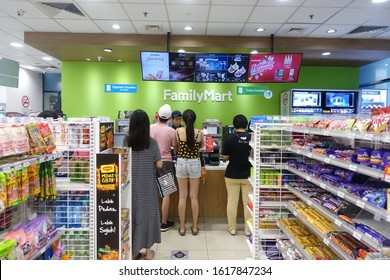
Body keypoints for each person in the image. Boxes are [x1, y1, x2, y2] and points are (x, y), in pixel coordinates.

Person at [126, 109, 162, 260]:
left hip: (131, 188)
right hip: (148, 187)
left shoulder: (126, 142)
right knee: (148, 216)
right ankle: (148, 253)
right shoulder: (152, 143)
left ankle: (133, 253)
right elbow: (159, 164)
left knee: (132, 216)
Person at [222, 114, 252, 236]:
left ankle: (232, 228)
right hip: (248, 175)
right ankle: (248, 229)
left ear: (234, 125)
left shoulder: (229, 138)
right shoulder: (252, 137)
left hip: (232, 174)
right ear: (245, 125)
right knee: (248, 203)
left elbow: (225, 157)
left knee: (232, 202)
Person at [176, 109, 204, 236]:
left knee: (182, 197)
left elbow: (176, 148)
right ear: (194, 119)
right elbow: (200, 147)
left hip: (181, 163)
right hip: (194, 163)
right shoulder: (199, 133)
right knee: (194, 197)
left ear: (183, 119)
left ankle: (182, 227)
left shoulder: (177, 131)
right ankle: (195, 227)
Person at [150, 104, 178, 232]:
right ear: (169, 118)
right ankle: (164, 222)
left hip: (150, 162)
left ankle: (152, 221)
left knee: (152, 193)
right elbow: (175, 148)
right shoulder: (171, 131)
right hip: (166, 164)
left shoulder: (150, 128)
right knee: (166, 193)